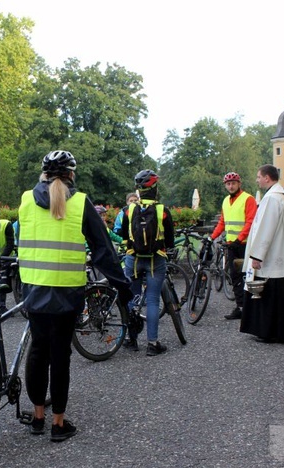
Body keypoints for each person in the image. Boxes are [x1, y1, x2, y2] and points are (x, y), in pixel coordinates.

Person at [18, 150, 132, 442]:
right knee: (60, 355)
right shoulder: (81, 203)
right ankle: (58, 424)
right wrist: (124, 285)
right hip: (67, 292)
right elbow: (104, 250)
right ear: (71, 175)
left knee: (38, 350)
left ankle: (37, 418)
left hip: (33, 288)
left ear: (43, 174)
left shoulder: (27, 200)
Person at [117, 169, 175, 356]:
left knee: (131, 298)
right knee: (152, 300)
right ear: (155, 189)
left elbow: (124, 234)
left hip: (133, 259)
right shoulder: (162, 211)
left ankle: (130, 339)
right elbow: (171, 241)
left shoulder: (129, 209)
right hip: (155, 260)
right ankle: (152, 343)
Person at [240, 164, 284, 343]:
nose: (257, 180)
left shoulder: (271, 199)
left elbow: (265, 228)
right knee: (281, 295)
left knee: (268, 294)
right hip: (283, 255)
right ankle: (282, 330)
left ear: (267, 178)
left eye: (259, 177)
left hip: (272, 257)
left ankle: (268, 331)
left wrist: (257, 255)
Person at [210, 172, 258, 320]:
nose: (231, 186)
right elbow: (222, 222)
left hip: (245, 245)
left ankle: (254, 308)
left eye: (233, 183)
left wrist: (240, 238)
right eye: (228, 184)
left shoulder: (248, 199)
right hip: (232, 245)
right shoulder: (225, 201)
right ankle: (241, 307)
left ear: (239, 183)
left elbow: (251, 222)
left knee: (249, 277)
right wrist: (211, 237)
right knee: (235, 277)